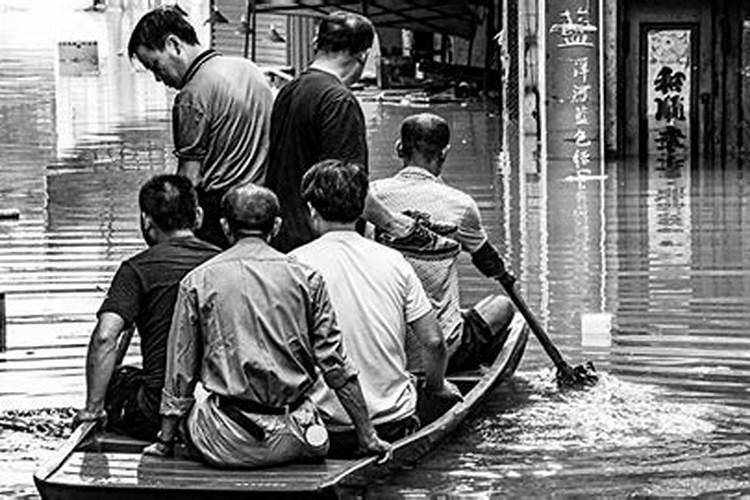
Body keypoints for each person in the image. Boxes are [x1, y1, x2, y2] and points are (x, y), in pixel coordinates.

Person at [144, 183, 391, 468]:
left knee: (200, 396)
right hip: (298, 437)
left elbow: (180, 372)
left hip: (227, 443)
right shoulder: (307, 278)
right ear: (276, 227)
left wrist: (164, 442)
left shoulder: (198, 280)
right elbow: (335, 365)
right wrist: (367, 434)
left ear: (225, 227)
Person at [290, 160, 463, 457]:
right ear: (361, 211)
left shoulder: (292, 264)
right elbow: (434, 341)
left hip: (320, 428)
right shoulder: (394, 261)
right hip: (393, 422)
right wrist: (437, 388)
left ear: (312, 211)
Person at [266, 11, 458, 258]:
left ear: (317, 45)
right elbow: (350, 191)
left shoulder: (288, 91)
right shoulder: (338, 101)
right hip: (322, 248)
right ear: (364, 55)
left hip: (282, 239)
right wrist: (399, 227)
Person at [371, 113, 528, 372]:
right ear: (444, 154)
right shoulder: (461, 205)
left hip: (383, 344)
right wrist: (504, 275)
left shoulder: (372, 197)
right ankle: (468, 371)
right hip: (442, 345)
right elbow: (486, 260)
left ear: (399, 148)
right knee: (502, 306)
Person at [72, 175, 220, 440]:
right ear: (198, 216)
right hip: (220, 408)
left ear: (146, 221)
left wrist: (92, 410)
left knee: (118, 380)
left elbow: (105, 338)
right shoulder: (226, 263)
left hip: (155, 411)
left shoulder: (136, 269)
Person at [128, 6, 273, 249]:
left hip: (218, 216)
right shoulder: (249, 69)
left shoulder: (191, 96)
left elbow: (190, 177)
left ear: (174, 45)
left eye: (155, 65)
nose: (157, 77)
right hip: (262, 208)